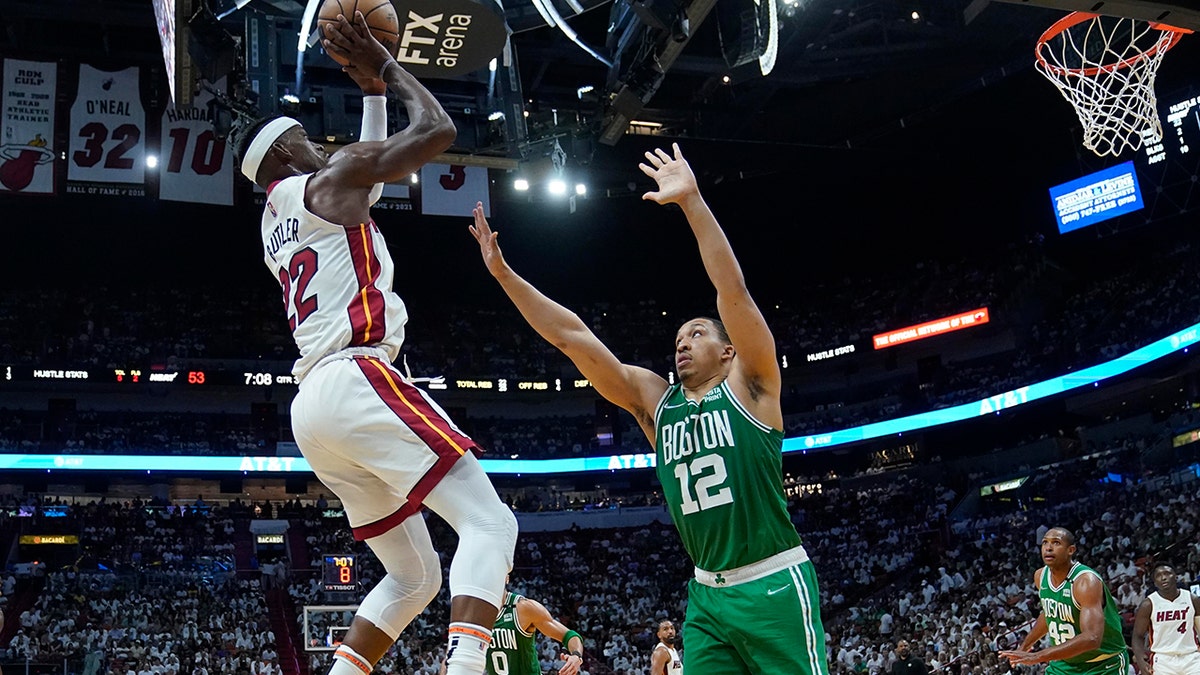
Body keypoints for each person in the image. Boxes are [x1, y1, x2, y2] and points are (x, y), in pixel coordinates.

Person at [469, 143, 829, 674]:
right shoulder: (657, 404)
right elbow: (573, 338)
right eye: (678, 336)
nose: (682, 343)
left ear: (728, 351)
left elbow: (732, 290)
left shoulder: (752, 385)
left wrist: (692, 203)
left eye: (698, 333)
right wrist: (505, 276)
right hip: (707, 595)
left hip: (772, 580)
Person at [231, 12, 517, 675]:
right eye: (303, 137)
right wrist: (387, 65)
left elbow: (369, 179)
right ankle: (467, 665)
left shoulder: (280, 220)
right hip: (357, 377)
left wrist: (372, 96)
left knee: (415, 576)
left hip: (314, 410)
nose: (315, 143)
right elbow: (438, 132)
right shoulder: (327, 182)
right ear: (282, 155)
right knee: (489, 520)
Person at [999, 527, 1129, 674]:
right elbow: (1049, 614)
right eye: (1045, 543)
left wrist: (1037, 656)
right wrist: (1024, 647)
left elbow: (1092, 638)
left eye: (1056, 543)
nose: (1048, 548)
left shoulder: (1085, 581)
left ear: (1071, 550)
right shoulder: (1040, 576)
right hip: (1064, 665)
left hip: (1101, 664)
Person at [484, 586, 584, 675]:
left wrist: (576, 656)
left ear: (506, 578)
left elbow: (568, 635)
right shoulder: (476, 614)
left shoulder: (523, 607)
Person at [1130, 563, 1200, 675]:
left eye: (1167, 573)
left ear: (1176, 576)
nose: (1163, 577)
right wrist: (1140, 660)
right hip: (1163, 660)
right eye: (1158, 576)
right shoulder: (1148, 604)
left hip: (1191, 657)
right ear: (1155, 582)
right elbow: (1137, 636)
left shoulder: (1193, 599)